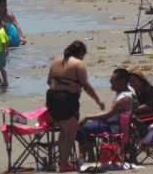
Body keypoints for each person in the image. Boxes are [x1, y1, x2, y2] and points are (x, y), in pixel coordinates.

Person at [47, 40, 103, 171]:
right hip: (66, 99)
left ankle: (62, 159)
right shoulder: (78, 64)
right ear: (81, 52)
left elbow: (49, 81)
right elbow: (85, 84)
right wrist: (98, 100)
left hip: (51, 97)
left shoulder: (56, 61)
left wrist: (60, 88)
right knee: (71, 133)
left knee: (63, 130)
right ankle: (64, 165)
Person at [76, 68, 134, 161]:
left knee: (81, 127)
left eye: (113, 80)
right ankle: (90, 156)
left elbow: (107, 115)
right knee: (87, 126)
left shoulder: (123, 99)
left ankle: (84, 157)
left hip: (112, 127)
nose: (111, 82)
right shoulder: (127, 91)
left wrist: (87, 117)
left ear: (123, 81)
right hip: (110, 123)